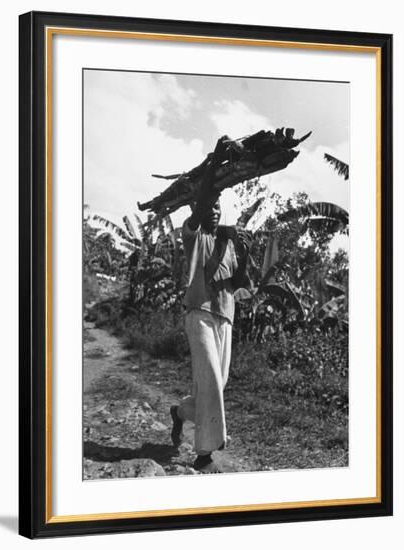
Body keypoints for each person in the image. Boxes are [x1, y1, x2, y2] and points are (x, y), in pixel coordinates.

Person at [170, 137, 251, 473]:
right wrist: (218, 158)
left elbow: (236, 283)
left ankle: (179, 413)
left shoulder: (228, 244)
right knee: (212, 383)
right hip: (199, 315)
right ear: (200, 212)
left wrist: (243, 252)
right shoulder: (194, 236)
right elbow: (204, 201)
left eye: (220, 210)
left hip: (225, 318)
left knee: (213, 385)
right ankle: (205, 452)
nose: (215, 213)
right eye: (210, 210)